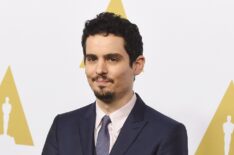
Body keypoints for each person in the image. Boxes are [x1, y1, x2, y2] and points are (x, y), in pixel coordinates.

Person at [42, 12, 188, 155]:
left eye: (112, 59)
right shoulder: (63, 127)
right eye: (92, 59)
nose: (100, 70)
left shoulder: (166, 133)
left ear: (137, 65)